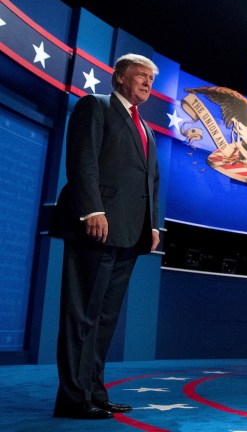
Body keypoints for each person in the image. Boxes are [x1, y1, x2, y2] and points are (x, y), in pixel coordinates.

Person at [49, 53, 161, 419]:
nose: (147, 83)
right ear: (119, 78)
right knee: (82, 316)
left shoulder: (145, 128)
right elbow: (84, 160)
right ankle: (73, 398)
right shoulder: (95, 106)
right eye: (140, 76)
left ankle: (94, 392)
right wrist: (91, 209)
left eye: (151, 79)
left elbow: (151, 182)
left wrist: (153, 226)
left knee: (105, 319)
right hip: (96, 227)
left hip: (131, 234)